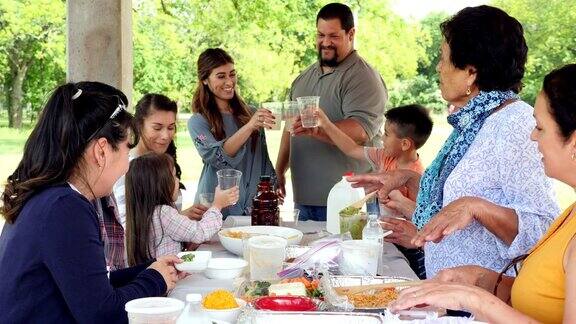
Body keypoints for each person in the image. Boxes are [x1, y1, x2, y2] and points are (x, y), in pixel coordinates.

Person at [349, 5, 559, 278]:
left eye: (443, 58)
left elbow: (543, 229)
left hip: (487, 305)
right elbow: (460, 197)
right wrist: (406, 178)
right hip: (452, 295)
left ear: (470, 72)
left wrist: (476, 208)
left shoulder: (515, 126)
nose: (438, 67)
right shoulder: (474, 121)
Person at [391, 64, 576, 324]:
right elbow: (543, 297)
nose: (533, 137)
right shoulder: (570, 215)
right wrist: (480, 280)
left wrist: (473, 298)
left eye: (540, 128)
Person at [0, 82, 183, 323]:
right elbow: (102, 314)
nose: (128, 164)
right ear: (101, 151)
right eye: (127, 151)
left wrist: (149, 269)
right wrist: (155, 279)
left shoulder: (51, 196)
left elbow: (90, 284)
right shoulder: (65, 208)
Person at [276, 2, 387, 221]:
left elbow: (359, 130)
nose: (325, 42)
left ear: (351, 34)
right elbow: (290, 129)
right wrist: (279, 171)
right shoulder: (303, 78)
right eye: (320, 35)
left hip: (349, 200)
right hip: (304, 198)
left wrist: (318, 128)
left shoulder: (363, 78)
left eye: (334, 36)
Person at [316, 104, 432, 278]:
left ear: (405, 144)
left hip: (408, 245)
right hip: (383, 238)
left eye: (386, 134)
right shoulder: (385, 155)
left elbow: (419, 219)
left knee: (406, 279)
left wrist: (395, 197)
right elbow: (351, 148)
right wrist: (326, 124)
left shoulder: (417, 177)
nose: (382, 140)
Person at [188, 48, 276, 217]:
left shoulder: (251, 114)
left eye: (232, 74)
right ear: (205, 80)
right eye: (221, 76)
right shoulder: (198, 122)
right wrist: (249, 126)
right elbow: (217, 157)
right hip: (215, 207)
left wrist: (273, 186)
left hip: (252, 207)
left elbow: (262, 159)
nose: (229, 81)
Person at [125, 152, 239, 266]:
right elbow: (200, 232)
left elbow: (165, 241)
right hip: (170, 279)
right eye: (174, 176)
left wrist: (186, 243)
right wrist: (217, 205)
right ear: (159, 185)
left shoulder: (144, 214)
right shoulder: (163, 213)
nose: (178, 180)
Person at [114, 93, 207, 227]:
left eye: (170, 127)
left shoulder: (166, 162)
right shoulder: (125, 168)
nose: (165, 136)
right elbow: (124, 228)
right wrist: (179, 219)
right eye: (157, 128)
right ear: (139, 125)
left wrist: (186, 217)